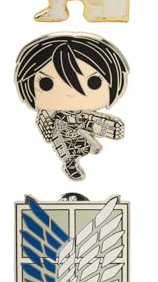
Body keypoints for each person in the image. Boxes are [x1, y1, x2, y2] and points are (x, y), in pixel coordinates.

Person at [15, 33, 129, 180]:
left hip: (79, 130)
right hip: (63, 134)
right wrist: (53, 126)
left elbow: (91, 122)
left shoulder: (83, 115)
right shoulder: (52, 116)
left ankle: (85, 149)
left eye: (93, 82)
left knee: (86, 134)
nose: (70, 93)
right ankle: (70, 164)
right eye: (46, 84)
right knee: (64, 146)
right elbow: (49, 130)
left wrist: (108, 129)